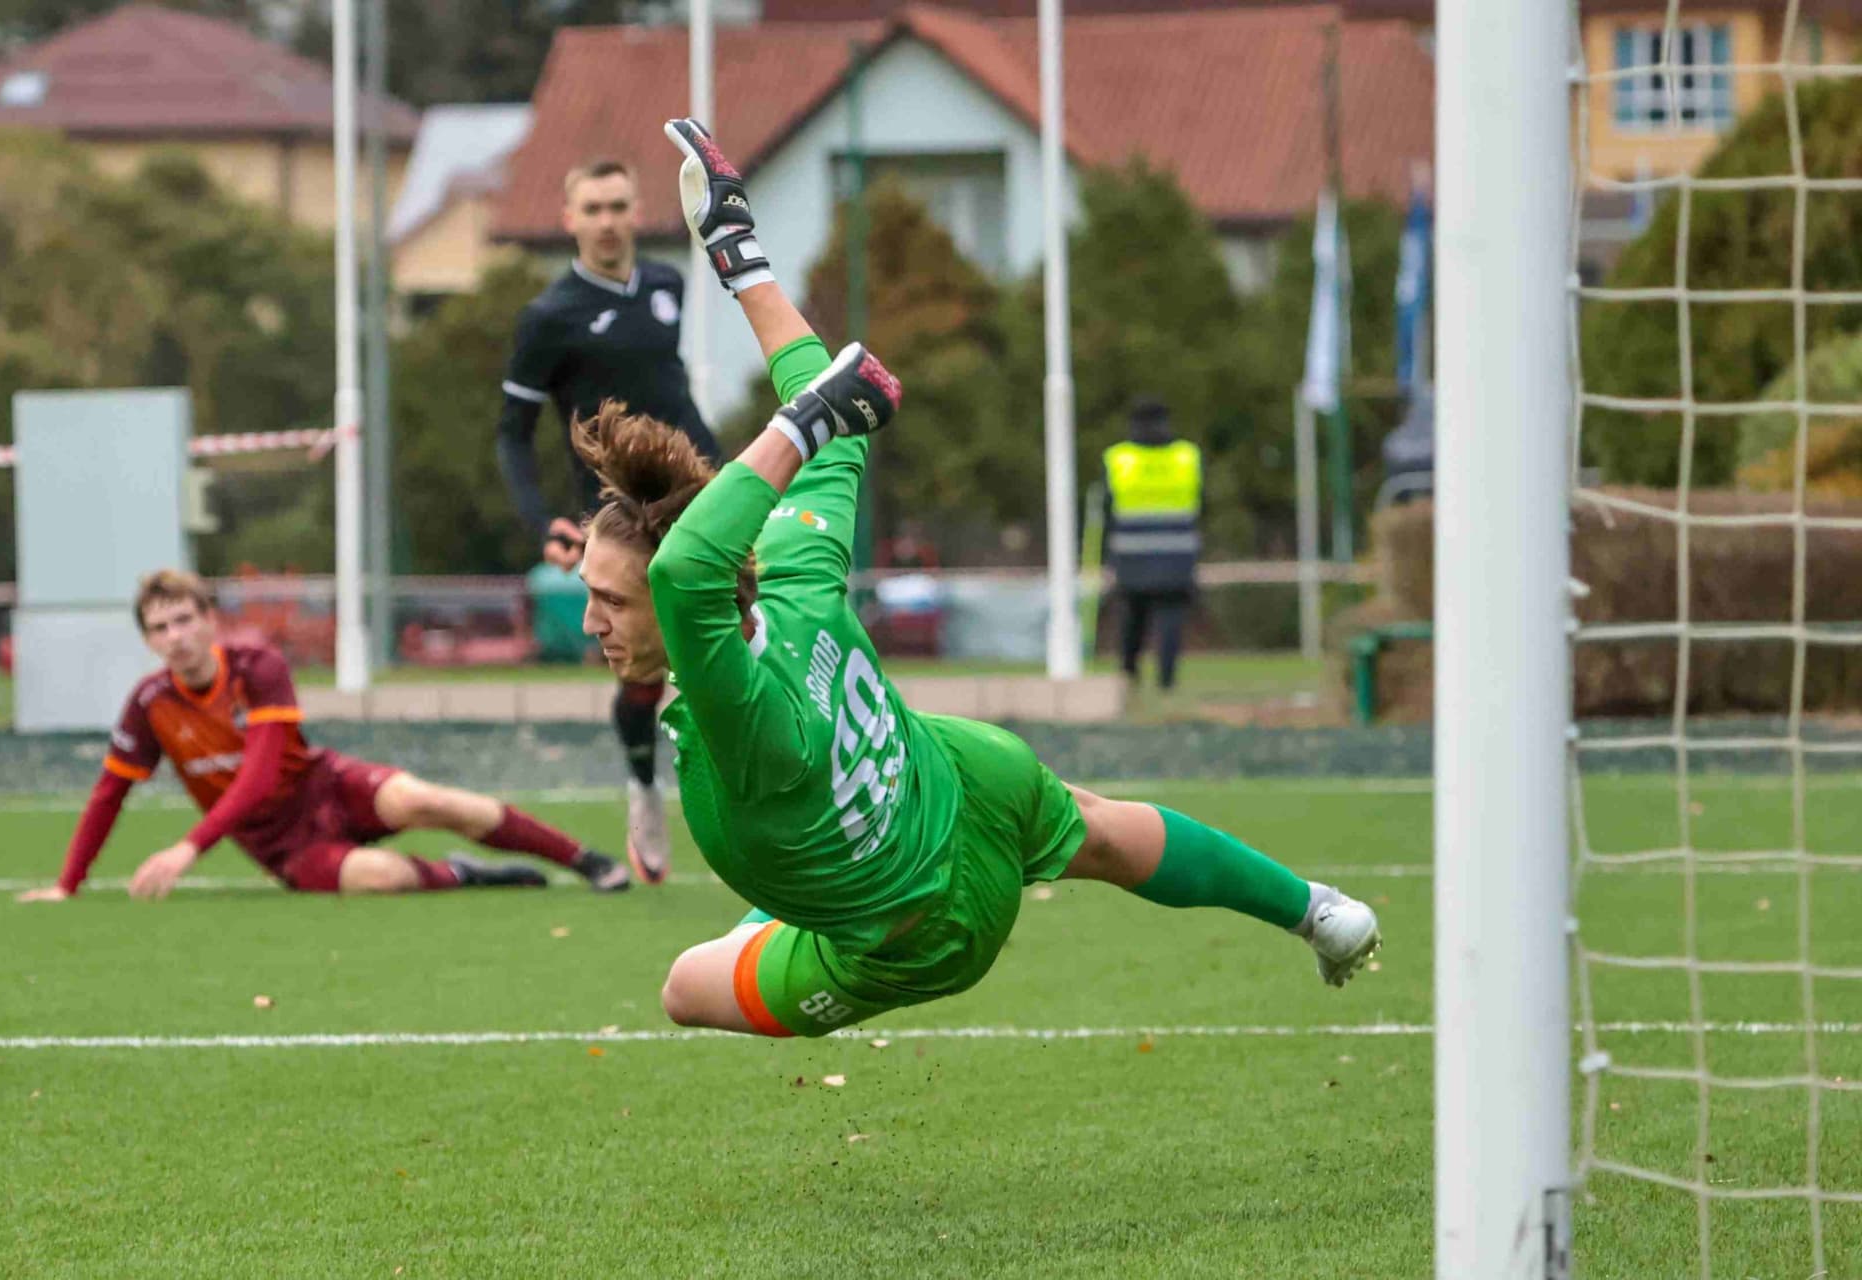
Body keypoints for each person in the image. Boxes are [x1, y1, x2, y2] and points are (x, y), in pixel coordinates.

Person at [557, 118, 1382, 1039]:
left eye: (608, 599)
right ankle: (1320, 911)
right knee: (1099, 830)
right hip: (964, 775)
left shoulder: (727, 695)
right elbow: (820, 396)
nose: (590, 618)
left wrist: (810, 419)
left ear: (685, 606)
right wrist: (740, 257)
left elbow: (688, 563)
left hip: (921, 930)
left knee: (683, 987)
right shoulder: (791, 570)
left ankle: (812, 908)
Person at [16, 570, 629, 902]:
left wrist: (188, 848)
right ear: (148, 640)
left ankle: (584, 859)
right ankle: (467, 875)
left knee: (431, 800)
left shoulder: (257, 667)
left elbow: (259, 774)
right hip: (283, 848)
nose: (175, 635)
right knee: (382, 880)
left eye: (184, 619)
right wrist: (67, 884)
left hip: (327, 786)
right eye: (160, 627)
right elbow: (107, 794)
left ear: (209, 619)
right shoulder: (150, 704)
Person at [496, 156, 724, 886]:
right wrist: (543, 524)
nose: (606, 221)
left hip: (699, 487)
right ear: (569, 219)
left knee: (735, 635)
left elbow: (672, 390)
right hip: (615, 509)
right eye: (591, 208)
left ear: (637, 210)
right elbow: (511, 433)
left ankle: (748, 801)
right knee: (644, 671)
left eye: (618, 206)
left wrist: (725, 471)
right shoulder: (549, 317)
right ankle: (642, 786)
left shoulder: (667, 285)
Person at [1103, 398, 1203, 691]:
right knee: (1170, 618)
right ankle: (1167, 681)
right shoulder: (1186, 456)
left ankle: (1129, 676)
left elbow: (1107, 507)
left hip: (1131, 555)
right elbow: (1202, 502)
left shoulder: (1119, 458)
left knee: (1131, 618)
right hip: (1177, 553)